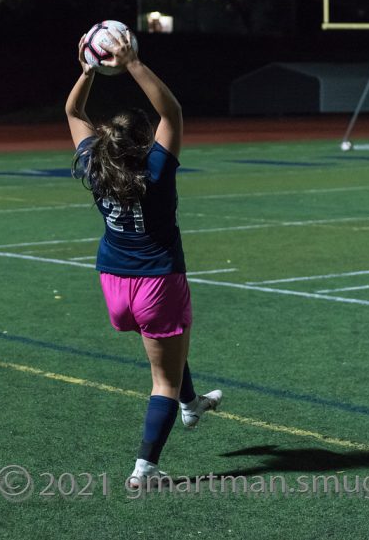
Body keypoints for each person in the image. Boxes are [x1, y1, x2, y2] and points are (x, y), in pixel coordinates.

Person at [65, 28, 222, 486]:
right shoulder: (156, 168)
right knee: (163, 381)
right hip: (157, 281)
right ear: (145, 142)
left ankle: (194, 406)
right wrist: (132, 63)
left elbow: (74, 111)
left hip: (114, 282)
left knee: (170, 344)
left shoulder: (95, 163)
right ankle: (144, 469)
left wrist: (89, 70)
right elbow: (171, 110)